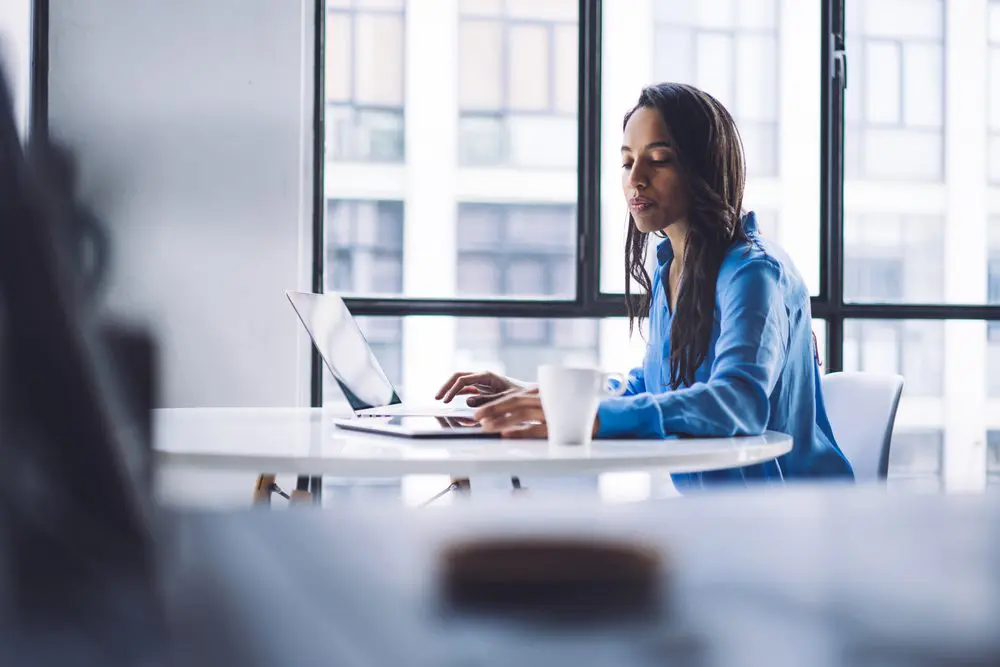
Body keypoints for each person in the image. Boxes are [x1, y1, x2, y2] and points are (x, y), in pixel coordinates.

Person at [436, 82, 853, 487]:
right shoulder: (670, 267)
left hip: (788, 520)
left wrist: (593, 417)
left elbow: (737, 402)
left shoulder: (753, 273)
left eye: (658, 159)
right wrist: (549, 399)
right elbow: (650, 385)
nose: (635, 178)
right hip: (716, 519)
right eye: (627, 161)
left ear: (702, 168)